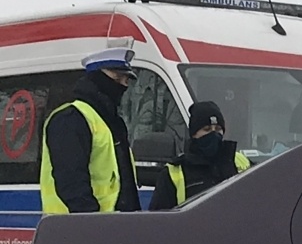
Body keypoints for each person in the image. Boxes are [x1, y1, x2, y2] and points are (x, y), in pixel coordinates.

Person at [40, 48, 141, 214]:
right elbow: (72, 182)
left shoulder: (113, 122)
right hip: (78, 225)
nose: (124, 85)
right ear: (96, 78)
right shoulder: (71, 119)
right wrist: (91, 221)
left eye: (126, 80)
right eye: (117, 78)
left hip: (116, 223)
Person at [149, 102, 251, 210]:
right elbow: (159, 217)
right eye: (207, 129)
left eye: (217, 129)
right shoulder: (173, 173)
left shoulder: (241, 162)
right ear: (194, 134)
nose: (213, 134)